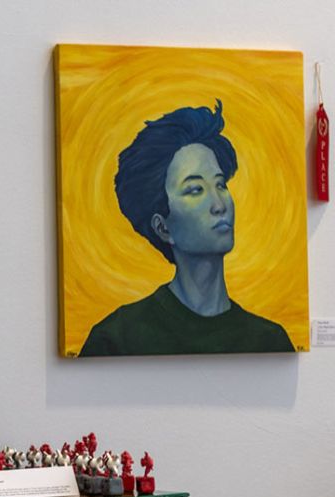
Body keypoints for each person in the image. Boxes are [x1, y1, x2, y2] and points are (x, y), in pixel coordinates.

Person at [79, 100, 294, 356]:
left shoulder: (270, 341)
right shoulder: (116, 337)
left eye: (221, 184)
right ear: (163, 228)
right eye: (195, 190)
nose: (218, 204)